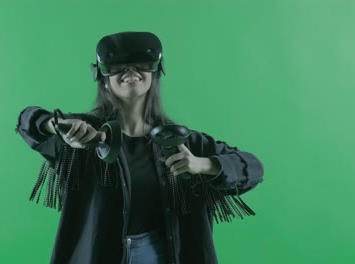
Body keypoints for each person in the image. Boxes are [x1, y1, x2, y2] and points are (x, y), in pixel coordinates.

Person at [15, 31, 264, 264]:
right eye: (118, 66)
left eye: (141, 64)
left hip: (159, 253)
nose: (130, 71)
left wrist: (202, 164)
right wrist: (55, 126)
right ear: (103, 77)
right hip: (98, 254)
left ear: (156, 74)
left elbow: (252, 168)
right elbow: (28, 121)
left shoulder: (184, 142)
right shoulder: (82, 135)